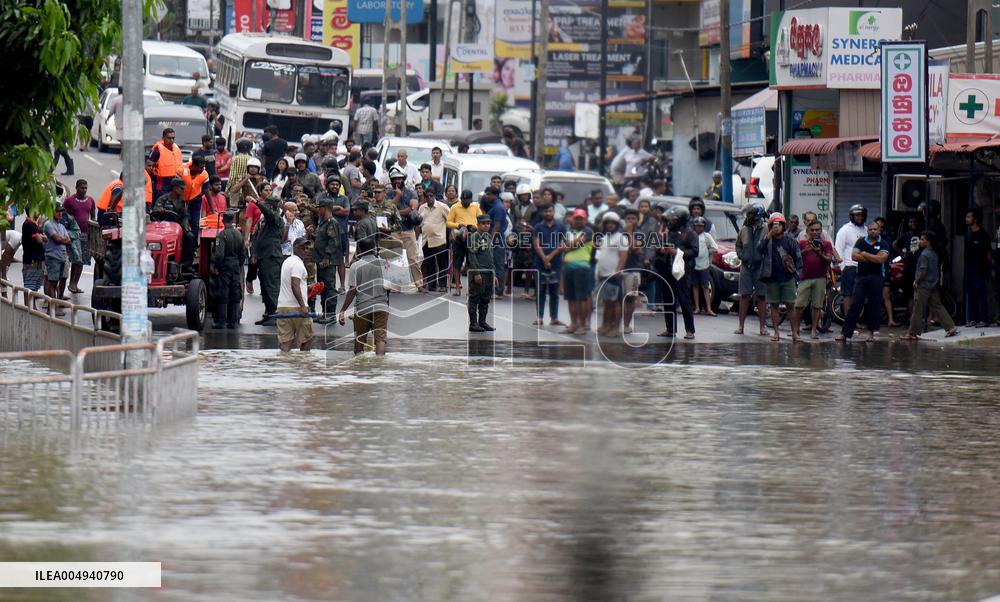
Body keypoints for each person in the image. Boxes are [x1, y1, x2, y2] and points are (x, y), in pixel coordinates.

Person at [837, 221, 890, 343]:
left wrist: (865, 254)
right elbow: (854, 256)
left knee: (874, 305)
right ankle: (845, 333)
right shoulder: (860, 241)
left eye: (875, 229)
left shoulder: (883, 243)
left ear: (879, 230)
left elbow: (881, 259)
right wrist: (873, 257)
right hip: (861, 276)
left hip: (876, 277)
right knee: (855, 304)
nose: (872, 231)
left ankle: (871, 333)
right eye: (870, 229)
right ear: (868, 230)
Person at [902, 232, 959, 340]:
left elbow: (923, 271)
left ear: (927, 242)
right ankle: (950, 327)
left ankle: (912, 333)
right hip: (932, 285)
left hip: (923, 286)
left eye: (922, 239)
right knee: (938, 306)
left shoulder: (924, 255)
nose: (920, 241)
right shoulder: (933, 254)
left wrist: (917, 281)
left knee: (917, 310)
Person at [339, 237, 391, 355]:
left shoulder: (355, 266)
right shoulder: (384, 264)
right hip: (381, 307)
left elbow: (352, 290)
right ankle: (380, 364)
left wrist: (343, 310)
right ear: (374, 249)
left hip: (362, 308)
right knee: (380, 340)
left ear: (359, 250)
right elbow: (389, 287)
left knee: (359, 341)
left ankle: (359, 367)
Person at [757, 213, 802, 342]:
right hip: (772, 278)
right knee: (774, 306)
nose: (776, 228)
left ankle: (794, 333)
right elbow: (759, 250)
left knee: (790, 305)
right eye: (774, 225)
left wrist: (797, 275)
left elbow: (798, 258)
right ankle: (776, 332)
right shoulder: (767, 240)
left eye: (779, 225)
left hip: (787, 278)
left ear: (783, 226)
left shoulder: (790, 240)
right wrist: (768, 236)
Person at [656, 205, 698, 339]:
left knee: (684, 300)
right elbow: (658, 247)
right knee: (668, 299)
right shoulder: (668, 233)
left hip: (682, 272)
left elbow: (694, 251)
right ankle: (670, 329)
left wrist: (678, 252)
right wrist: (661, 250)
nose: (670, 222)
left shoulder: (690, 233)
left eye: (673, 220)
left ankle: (690, 330)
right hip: (667, 270)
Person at [796, 220, 836, 339]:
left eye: (817, 230)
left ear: (821, 230)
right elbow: (796, 258)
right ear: (808, 231)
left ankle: (814, 330)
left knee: (817, 306)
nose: (815, 232)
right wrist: (805, 250)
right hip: (804, 277)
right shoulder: (802, 243)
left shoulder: (826, 244)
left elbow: (828, 260)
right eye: (812, 230)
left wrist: (820, 253)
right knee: (798, 305)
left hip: (820, 278)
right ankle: (796, 330)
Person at [387, 165, 424, 291]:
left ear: (403, 178)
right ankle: (395, 286)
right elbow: (387, 210)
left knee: (413, 258)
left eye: (399, 178)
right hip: (394, 230)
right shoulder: (388, 193)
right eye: (394, 179)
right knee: (394, 259)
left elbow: (413, 207)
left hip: (408, 229)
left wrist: (395, 211)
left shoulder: (411, 192)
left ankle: (419, 284)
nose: (397, 181)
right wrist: (397, 197)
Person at [248, 195, 284, 325]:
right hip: (263, 257)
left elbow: (269, 214)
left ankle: (274, 314)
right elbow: (256, 238)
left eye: (267, 204)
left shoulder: (276, 219)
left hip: (272, 257)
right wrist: (254, 254)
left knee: (272, 286)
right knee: (264, 286)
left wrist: (257, 202)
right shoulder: (263, 222)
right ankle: (269, 312)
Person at [735, 203, 768, 336]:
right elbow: (738, 245)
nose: (749, 216)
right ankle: (741, 326)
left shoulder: (766, 228)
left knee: (761, 296)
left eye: (752, 214)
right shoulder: (744, 229)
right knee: (744, 296)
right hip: (746, 267)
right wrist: (742, 256)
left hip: (760, 268)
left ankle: (762, 327)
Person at [276, 238, 314, 352]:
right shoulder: (298, 264)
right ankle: (303, 367)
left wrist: (308, 289)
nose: (306, 251)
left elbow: (293, 284)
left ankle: (285, 368)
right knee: (306, 339)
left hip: (282, 307)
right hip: (297, 309)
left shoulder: (287, 262)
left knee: (285, 343)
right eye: (303, 248)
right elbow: (294, 284)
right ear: (295, 248)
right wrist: (302, 305)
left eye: (307, 248)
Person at [595, 212, 629, 337]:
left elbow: (623, 255)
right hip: (603, 274)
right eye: (607, 223)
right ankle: (606, 325)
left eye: (612, 223)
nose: (610, 225)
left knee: (615, 302)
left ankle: (615, 328)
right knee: (607, 301)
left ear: (616, 224)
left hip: (614, 274)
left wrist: (618, 270)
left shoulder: (621, 238)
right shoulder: (604, 238)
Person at [210, 211, 246, 329]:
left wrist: (216, 266)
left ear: (223, 221)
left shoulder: (222, 235)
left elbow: (219, 255)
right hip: (235, 266)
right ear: (233, 221)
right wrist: (238, 264)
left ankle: (221, 321)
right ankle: (233, 321)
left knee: (223, 293)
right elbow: (243, 253)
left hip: (225, 266)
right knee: (235, 293)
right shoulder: (239, 235)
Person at [561, 209, 594, 335]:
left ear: (585, 220)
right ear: (572, 219)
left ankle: (582, 324)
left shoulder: (588, 231)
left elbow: (579, 243)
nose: (579, 221)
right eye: (577, 218)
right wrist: (568, 246)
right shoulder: (568, 231)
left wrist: (568, 246)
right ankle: (573, 323)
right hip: (568, 266)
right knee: (571, 297)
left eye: (581, 219)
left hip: (582, 267)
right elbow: (563, 246)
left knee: (582, 298)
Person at [532, 204, 566, 326]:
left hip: (556, 262)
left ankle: (554, 317)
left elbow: (563, 244)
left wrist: (550, 257)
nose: (548, 213)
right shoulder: (538, 227)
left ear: (553, 212)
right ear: (543, 213)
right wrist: (544, 258)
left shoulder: (561, 226)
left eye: (550, 211)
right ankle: (539, 317)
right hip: (540, 262)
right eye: (546, 211)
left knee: (554, 291)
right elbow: (536, 244)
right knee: (540, 290)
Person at [446, 189, 483, 295]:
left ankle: (470, 289)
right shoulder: (455, 207)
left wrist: (473, 227)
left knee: (471, 263)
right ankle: (457, 287)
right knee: (457, 263)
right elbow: (448, 222)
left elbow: (480, 220)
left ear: (471, 200)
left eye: (468, 201)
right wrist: (458, 225)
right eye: (464, 200)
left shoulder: (475, 207)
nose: (466, 202)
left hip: (471, 237)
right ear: (461, 199)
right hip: (459, 237)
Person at [313, 197, 344, 322]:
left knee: (329, 287)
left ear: (325, 208)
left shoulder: (332, 222)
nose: (318, 210)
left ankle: (330, 314)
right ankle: (325, 312)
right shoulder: (324, 222)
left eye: (320, 207)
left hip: (327, 261)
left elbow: (333, 242)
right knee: (322, 286)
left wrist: (326, 257)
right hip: (320, 259)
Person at [834, 204, 868, 316]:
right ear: (852, 216)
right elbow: (838, 249)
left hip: (863, 268)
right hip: (850, 267)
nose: (859, 218)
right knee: (848, 295)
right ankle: (848, 320)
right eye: (857, 215)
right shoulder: (845, 230)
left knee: (860, 295)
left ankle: (856, 319)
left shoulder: (866, 230)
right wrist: (844, 267)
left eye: (861, 215)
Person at [62, 179, 95, 294]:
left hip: (86, 235)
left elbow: (93, 217)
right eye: (82, 188)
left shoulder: (90, 200)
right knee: (76, 259)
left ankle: (75, 284)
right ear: (76, 188)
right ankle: (71, 283)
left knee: (82, 261)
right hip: (74, 235)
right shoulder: (69, 201)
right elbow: (63, 216)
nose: (84, 190)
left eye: (85, 188)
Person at [467, 215, 497, 332]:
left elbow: (490, 256)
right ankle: (473, 323)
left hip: (489, 272)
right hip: (480, 273)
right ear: (478, 225)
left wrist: (494, 273)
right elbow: (472, 256)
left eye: (488, 223)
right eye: (484, 223)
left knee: (485, 299)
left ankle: (482, 321)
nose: (486, 226)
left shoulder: (488, 236)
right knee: (475, 298)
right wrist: (476, 273)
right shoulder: (475, 237)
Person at [964, 208, 993, 327]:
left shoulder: (983, 233)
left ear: (975, 219)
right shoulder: (968, 234)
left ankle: (984, 320)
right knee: (971, 295)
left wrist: (990, 268)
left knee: (981, 295)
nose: (966, 219)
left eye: (969, 217)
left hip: (980, 269)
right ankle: (973, 319)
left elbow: (988, 252)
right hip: (969, 269)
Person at [418, 190, 450, 292]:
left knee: (442, 263)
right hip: (426, 239)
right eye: (427, 196)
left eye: (431, 196)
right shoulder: (422, 208)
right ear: (425, 197)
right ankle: (431, 284)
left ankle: (443, 285)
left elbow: (450, 220)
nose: (429, 198)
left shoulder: (442, 206)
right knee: (429, 263)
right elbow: (419, 223)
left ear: (435, 196)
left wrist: (451, 234)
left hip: (439, 239)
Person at [482, 187, 509, 299]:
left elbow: (497, 226)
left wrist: (490, 241)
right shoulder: (494, 205)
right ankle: (494, 289)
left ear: (495, 195)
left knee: (498, 265)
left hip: (497, 240)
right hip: (494, 239)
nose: (487, 196)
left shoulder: (498, 207)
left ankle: (498, 291)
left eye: (489, 194)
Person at [43, 205, 71, 308]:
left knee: (61, 280)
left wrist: (62, 239)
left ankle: (56, 305)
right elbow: (57, 239)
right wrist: (63, 239)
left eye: (61, 212)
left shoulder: (62, 226)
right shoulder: (48, 224)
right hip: (53, 257)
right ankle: (53, 307)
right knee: (53, 283)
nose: (60, 214)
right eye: (58, 211)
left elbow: (68, 240)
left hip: (62, 257)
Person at [690, 216, 719, 316]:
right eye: (697, 226)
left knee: (705, 287)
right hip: (694, 265)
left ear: (704, 227)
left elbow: (715, 248)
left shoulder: (706, 236)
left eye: (701, 226)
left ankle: (708, 308)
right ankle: (697, 307)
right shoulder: (692, 235)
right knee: (695, 286)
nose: (699, 228)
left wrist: (707, 251)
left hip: (704, 265)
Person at [149, 128, 184, 199]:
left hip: (175, 184)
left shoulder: (176, 149)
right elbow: (148, 166)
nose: (171, 140)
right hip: (161, 186)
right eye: (169, 138)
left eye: (173, 138)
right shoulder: (157, 151)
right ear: (163, 138)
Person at [182, 156, 210, 240]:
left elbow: (206, 191)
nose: (203, 169)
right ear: (194, 166)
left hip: (195, 200)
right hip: (181, 201)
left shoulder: (204, 174)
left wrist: (212, 208)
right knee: (182, 223)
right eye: (201, 167)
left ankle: (193, 246)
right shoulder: (181, 171)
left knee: (195, 224)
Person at [21, 213, 46, 299]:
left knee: (34, 286)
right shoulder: (28, 224)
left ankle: (32, 307)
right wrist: (41, 237)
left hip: (37, 259)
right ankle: (28, 307)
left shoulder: (34, 225)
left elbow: (43, 237)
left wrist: (41, 236)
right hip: (31, 260)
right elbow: (39, 240)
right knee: (29, 287)